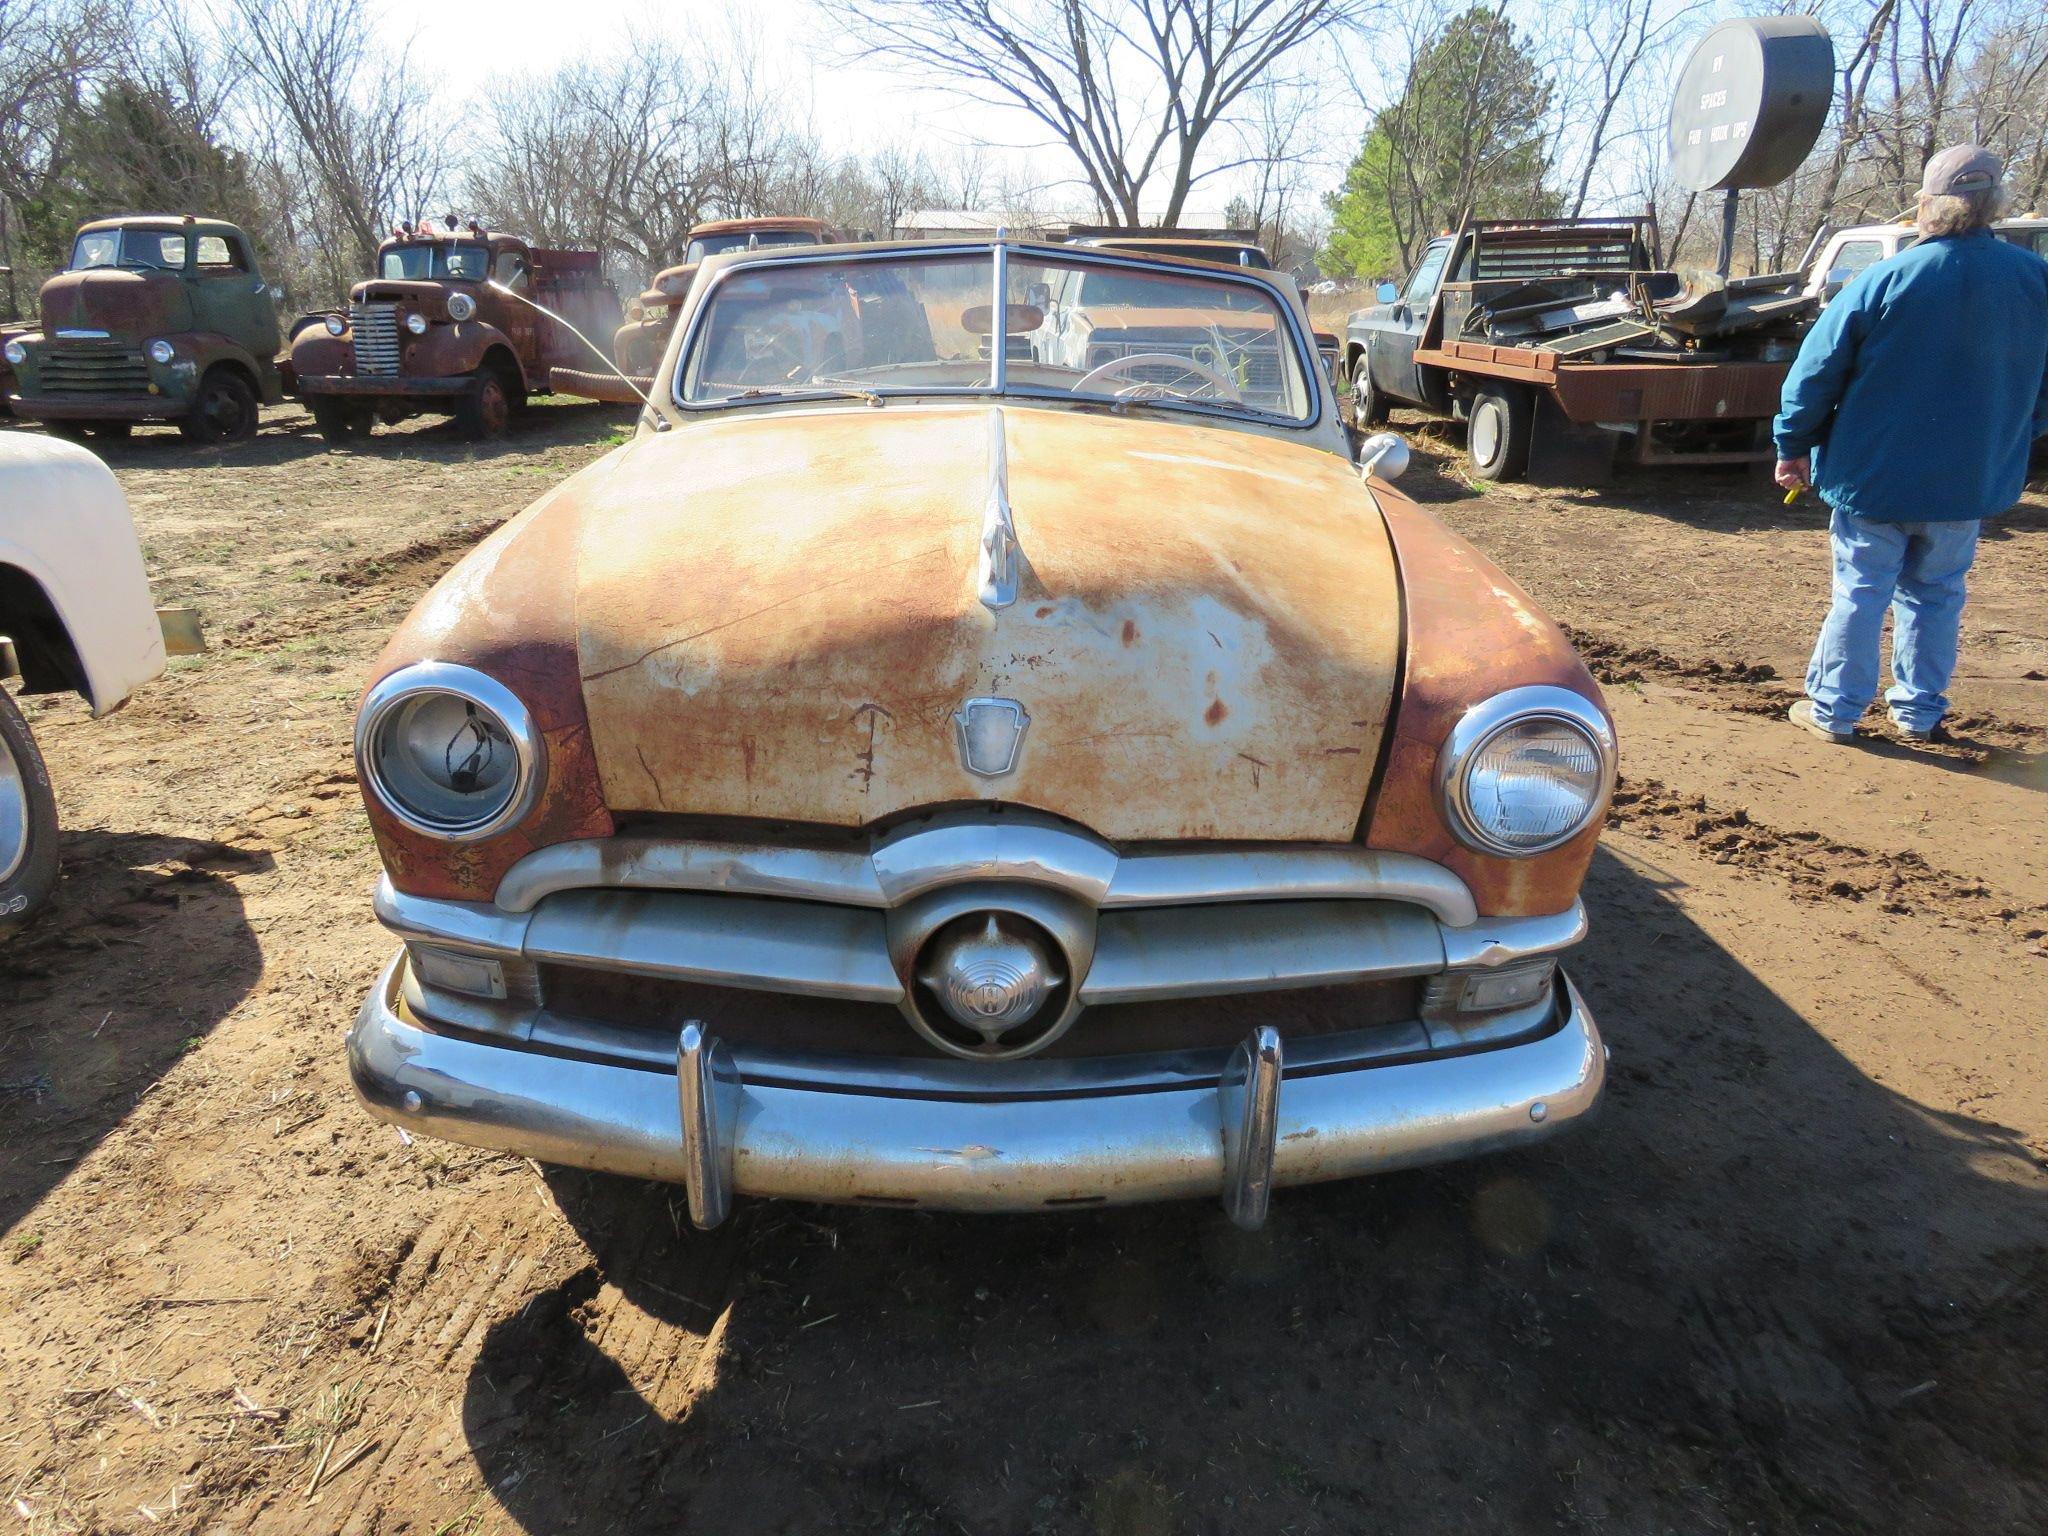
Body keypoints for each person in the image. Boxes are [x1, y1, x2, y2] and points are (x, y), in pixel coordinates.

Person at [1774, 144, 2048, 744]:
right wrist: (2012, 434)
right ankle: (1919, 713)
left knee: (1861, 590)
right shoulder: (2036, 281)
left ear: (1928, 205)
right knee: (1938, 594)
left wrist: (1792, 444)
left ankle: (1833, 712)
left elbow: (1815, 372)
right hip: (1967, 482)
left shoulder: (1886, 278)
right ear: (1993, 204)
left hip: (1875, 477)